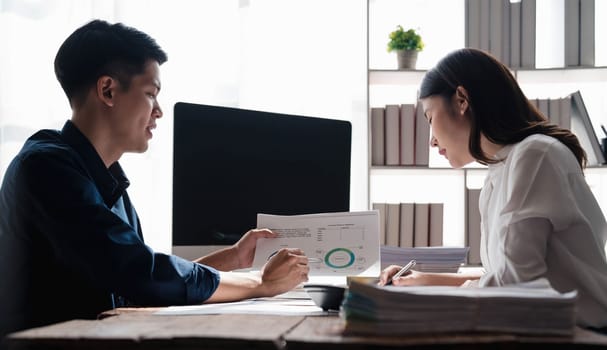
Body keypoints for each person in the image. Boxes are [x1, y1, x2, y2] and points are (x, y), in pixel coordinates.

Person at [0, 19, 310, 340]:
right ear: (108, 90)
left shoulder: (107, 183)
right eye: (151, 93)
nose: (158, 111)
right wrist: (260, 283)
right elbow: (140, 274)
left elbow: (138, 287)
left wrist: (234, 258)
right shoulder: (46, 169)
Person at [378, 48, 607, 330]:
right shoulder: (500, 171)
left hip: (580, 332)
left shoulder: (534, 155)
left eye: (429, 118)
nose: (432, 142)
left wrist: (431, 296)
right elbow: (501, 276)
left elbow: (513, 283)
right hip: (545, 328)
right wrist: (424, 279)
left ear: (462, 100)